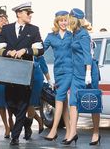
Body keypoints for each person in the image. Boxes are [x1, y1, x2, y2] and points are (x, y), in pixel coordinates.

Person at [0, 2, 44, 145]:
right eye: (27, 12)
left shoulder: (34, 30)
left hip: (25, 73)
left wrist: (26, 50)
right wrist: (8, 52)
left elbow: (40, 50)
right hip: (9, 73)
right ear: (18, 14)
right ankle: (27, 123)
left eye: (30, 13)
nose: (30, 15)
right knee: (10, 104)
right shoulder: (6, 29)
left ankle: (15, 137)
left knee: (23, 104)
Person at [64, 8, 100, 146]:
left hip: (88, 73)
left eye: (70, 19)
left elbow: (88, 55)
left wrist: (88, 73)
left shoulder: (83, 35)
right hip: (77, 74)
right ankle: (73, 132)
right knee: (73, 102)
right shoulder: (74, 34)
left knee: (93, 103)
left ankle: (96, 133)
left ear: (75, 20)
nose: (68, 21)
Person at [43, 11, 72, 142]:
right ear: (57, 22)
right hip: (58, 72)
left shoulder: (72, 36)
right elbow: (41, 50)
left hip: (70, 70)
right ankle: (70, 132)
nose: (63, 23)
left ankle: (54, 130)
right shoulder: (51, 36)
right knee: (64, 102)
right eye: (61, 20)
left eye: (65, 20)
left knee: (59, 98)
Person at [0, 6, 14, 138]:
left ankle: (11, 120)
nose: (3, 21)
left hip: (11, 71)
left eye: (5, 19)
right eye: (0, 19)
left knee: (11, 100)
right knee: (0, 101)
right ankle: (6, 126)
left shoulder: (13, 35)